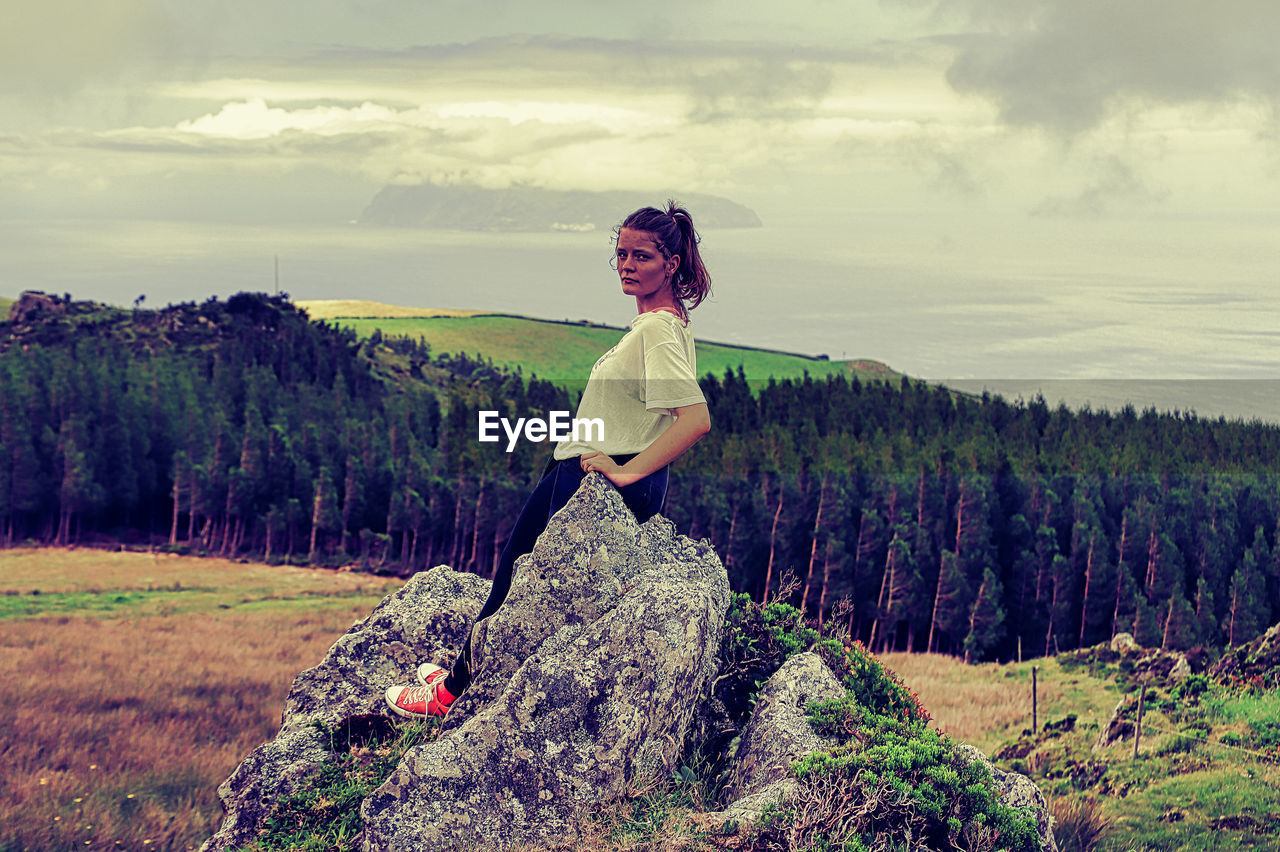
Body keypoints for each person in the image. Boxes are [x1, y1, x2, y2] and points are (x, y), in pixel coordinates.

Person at [386, 202, 714, 719]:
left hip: (593, 479)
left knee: (512, 580)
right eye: (621, 254)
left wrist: (625, 472)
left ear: (671, 264)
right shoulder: (667, 324)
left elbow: (694, 418)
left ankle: (448, 694)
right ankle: (462, 674)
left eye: (642, 256)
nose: (627, 265)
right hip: (603, 476)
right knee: (520, 582)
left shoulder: (656, 331)